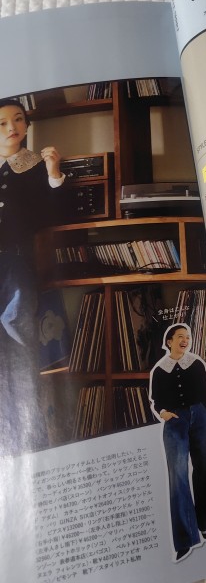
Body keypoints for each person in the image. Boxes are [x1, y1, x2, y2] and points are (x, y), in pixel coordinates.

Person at [0, 97, 65, 456]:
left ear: (26, 125)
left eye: (18, 119)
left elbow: (52, 215)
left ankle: (30, 438)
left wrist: (54, 174)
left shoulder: (36, 164)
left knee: (19, 337)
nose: (11, 127)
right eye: (2, 123)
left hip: (17, 264)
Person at [149, 323, 206, 562]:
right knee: (177, 477)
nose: (185, 340)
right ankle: (185, 538)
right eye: (180, 337)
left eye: (188, 337)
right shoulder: (159, 370)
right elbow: (155, 400)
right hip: (175, 423)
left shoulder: (196, 363)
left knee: (205, 470)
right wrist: (163, 413)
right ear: (169, 342)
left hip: (201, 417)